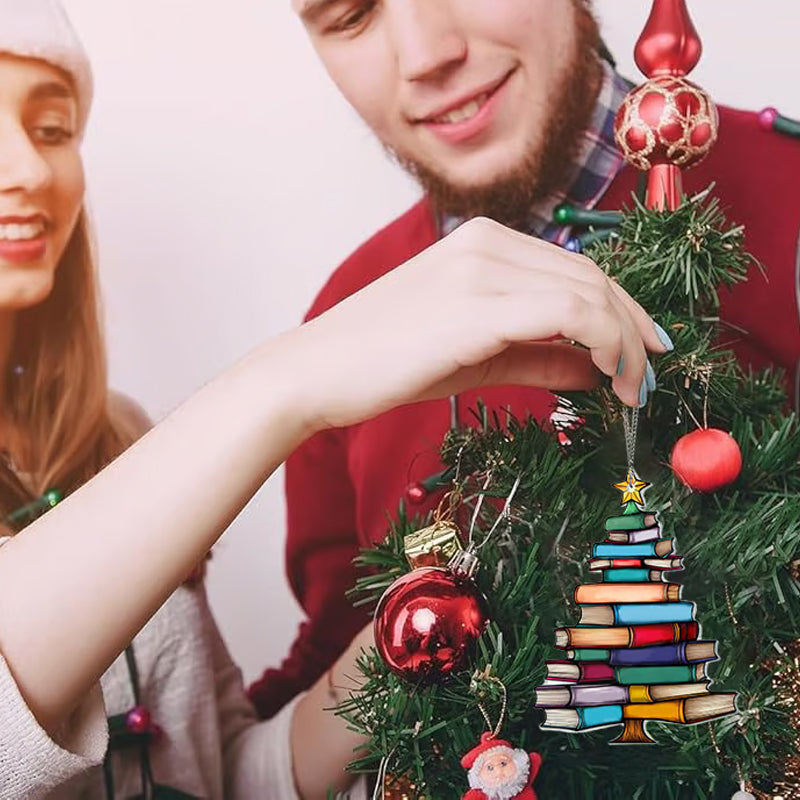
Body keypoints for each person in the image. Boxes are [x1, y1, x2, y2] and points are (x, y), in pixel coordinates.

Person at [0, 2, 666, 798]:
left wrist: (450, 602)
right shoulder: (306, 358)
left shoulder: (110, 438)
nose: (29, 170)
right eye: (350, 15)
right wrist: (281, 386)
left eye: (52, 129)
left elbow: (217, 775)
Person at [248, 0, 800, 729]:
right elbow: (336, 673)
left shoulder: (787, 194)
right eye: (351, 15)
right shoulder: (342, 325)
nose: (425, 55)